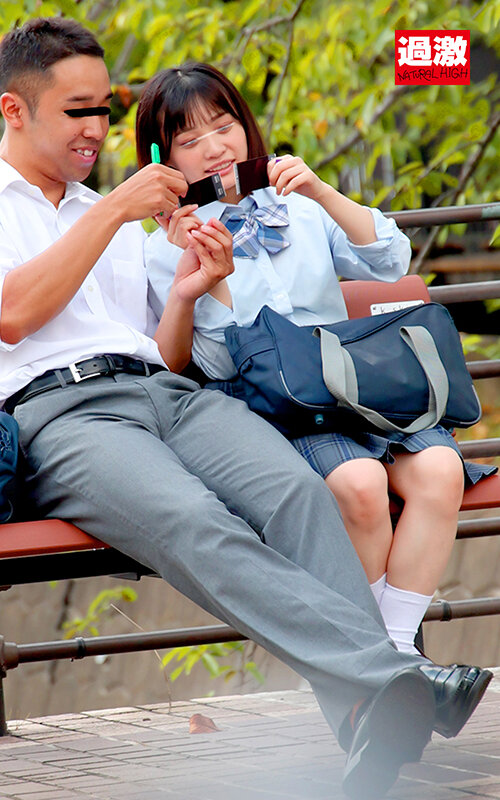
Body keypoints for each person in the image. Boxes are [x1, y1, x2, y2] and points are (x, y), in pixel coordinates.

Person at [0, 18, 492, 800]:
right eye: (76, 110)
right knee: (195, 519)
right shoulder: (84, 211)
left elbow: (165, 353)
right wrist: (114, 210)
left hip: (164, 391)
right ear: (15, 109)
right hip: (63, 413)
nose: (95, 127)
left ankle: (370, 715)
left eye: (103, 109)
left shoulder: (113, 214)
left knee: (297, 493)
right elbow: (13, 315)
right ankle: (393, 678)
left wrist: (192, 290)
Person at [137, 63, 497, 657]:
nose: (214, 148)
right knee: (360, 484)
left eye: (223, 127)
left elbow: (391, 262)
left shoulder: (299, 209)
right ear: (164, 160)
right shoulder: (162, 249)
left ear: (246, 128)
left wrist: (321, 191)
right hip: (280, 404)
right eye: (190, 140)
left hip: (353, 384)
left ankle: (391, 656)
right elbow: (206, 363)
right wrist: (202, 274)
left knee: (441, 470)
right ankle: (386, 666)